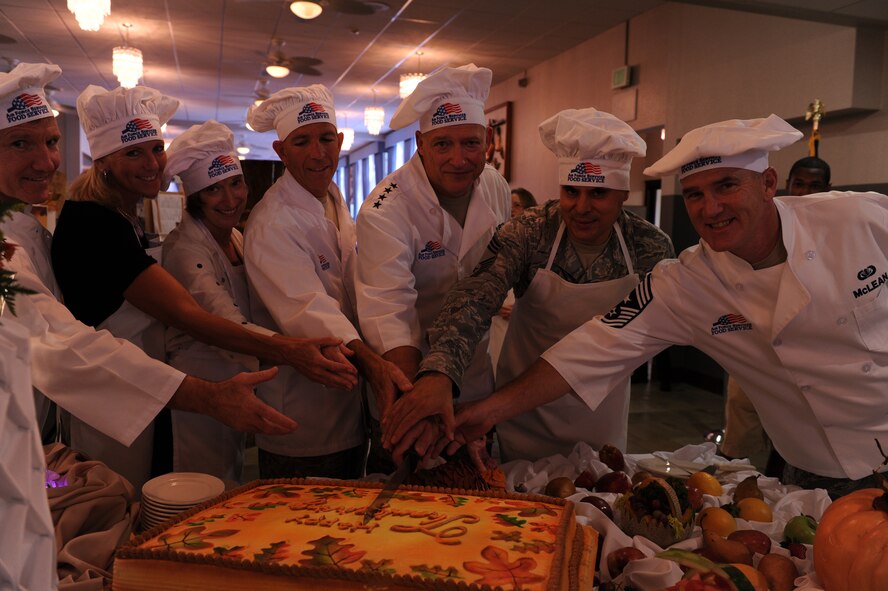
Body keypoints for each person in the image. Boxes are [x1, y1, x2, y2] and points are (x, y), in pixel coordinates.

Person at [438, 114, 888, 499]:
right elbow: (591, 347)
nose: (710, 208)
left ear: (768, 183)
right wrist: (480, 413)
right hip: (809, 470)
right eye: (694, 194)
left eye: (726, 185)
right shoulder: (687, 282)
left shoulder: (859, 220)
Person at [0, 63, 294, 590]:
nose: (46, 159)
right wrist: (211, 393)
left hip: (95, 406)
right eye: (21, 143)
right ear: (105, 160)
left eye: (49, 141)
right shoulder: (87, 224)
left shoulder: (45, 221)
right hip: (92, 406)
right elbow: (63, 342)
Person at [51, 85, 356, 490]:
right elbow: (192, 316)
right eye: (133, 152)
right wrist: (289, 350)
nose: (151, 163)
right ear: (103, 161)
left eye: (156, 149)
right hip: (118, 389)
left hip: (161, 384)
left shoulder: (131, 218)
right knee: (128, 498)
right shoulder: (95, 224)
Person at [385, 108, 674, 462]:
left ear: (623, 194)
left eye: (597, 194)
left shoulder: (648, 247)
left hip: (600, 414)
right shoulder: (530, 232)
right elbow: (474, 300)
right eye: (571, 191)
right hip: (518, 411)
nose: (581, 207)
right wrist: (440, 371)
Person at [245, 84, 410, 479]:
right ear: (281, 151)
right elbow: (309, 310)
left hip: (350, 409)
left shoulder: (333, 198)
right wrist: (374, 366)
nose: (318, 153)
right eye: (302, 142)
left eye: (325, 139)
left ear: (339, 142)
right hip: (303, 416)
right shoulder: (272, 222)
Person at [354, 64, 511, 471]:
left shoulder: (495, 186)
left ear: (489, 139)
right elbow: (390, 310)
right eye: (443, 144)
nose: (458, 159)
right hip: (408, 379)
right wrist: (418, 405)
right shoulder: (384, 209)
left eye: (470, 143)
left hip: (475, 377)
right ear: (420, 143)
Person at [161, 120, 276, 482]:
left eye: (235, 183)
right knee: (202, 488)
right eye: (214, 190)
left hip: (234, 377)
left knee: (231, 479)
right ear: (195, 198)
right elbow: (224, 319)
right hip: (201, 384)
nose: (231, 200)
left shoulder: (237, 237)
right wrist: (292, 353)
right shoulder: (184, 248)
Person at [721, 153, 833, 473]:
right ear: (784, 185)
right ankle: (731, 475)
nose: (805, 193)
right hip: (759, 334)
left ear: (828, 188)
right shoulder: (768, 219)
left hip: (815, 346)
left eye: (814, 186)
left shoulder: (839, 226)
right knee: (743, 412)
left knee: (798, 431)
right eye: (799, 184)